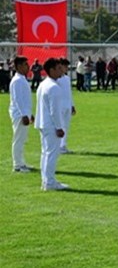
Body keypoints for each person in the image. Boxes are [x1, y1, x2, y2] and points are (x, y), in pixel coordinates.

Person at [35, 58, 68, 191]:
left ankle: (46, 180)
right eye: (59, 68)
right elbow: (54, 111)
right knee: (51, 154)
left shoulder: (44, 84)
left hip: (43, 123)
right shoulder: (54, 87)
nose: (61, 70)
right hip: (51, 125)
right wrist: (59, 127)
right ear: (52, 70)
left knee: (46, 153)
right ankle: (49, 182)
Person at [9, 57, 33, 173]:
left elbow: (25, 99)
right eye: (25, 64)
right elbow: (18, 99)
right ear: (18, 66)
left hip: (24, 113)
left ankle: (21, 162)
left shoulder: (22, 79)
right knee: (18, 139)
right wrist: (24, 115)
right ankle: (17, 165)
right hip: (19, 114)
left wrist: (29, 114)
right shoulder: (17, 80)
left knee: (22, 139)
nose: (27, 67)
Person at [57, 59, 76, 154]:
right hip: (59, 106)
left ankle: (63, 145)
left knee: (66, 126)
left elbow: (69, 93)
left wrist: (72, 105)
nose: (66, 68)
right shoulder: (56, 79)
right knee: (59, 125)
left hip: (67, 105)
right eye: (65, 66)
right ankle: (58, 145)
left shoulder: (67, 79)